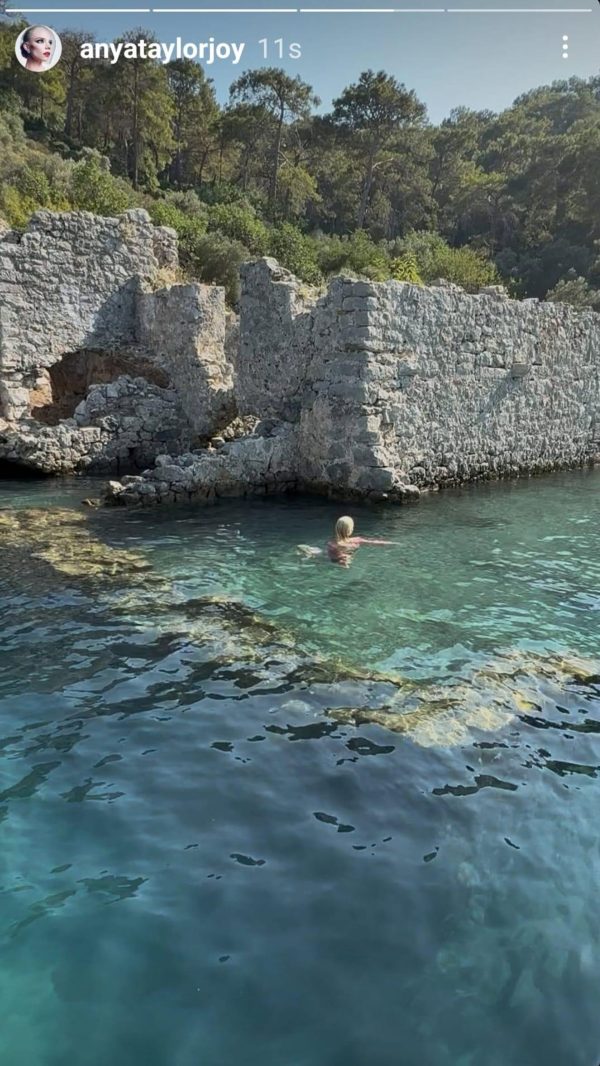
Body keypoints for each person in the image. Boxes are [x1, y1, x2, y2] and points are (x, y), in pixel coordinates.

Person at [327, 515, 396, 566]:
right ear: (349, 530)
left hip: (335, 560)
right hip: (345, 559)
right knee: (346, 558)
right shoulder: (356, 540)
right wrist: (391, 543)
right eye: (352, 527)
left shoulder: (331, 543)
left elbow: (331, 556)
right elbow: (373, 542)